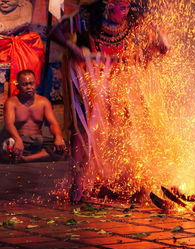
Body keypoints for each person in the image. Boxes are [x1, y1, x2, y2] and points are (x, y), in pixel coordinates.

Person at [50, 0, 169, 202]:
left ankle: (135, 179)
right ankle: (78, 179)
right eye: (120, 7)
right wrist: (75, 48)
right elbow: (55, 33)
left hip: (121, 77)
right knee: (84, 128)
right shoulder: (87, 19)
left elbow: (160, 39)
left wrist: (155, 47)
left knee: (134, 125)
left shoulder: (133, 20)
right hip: (91, 77)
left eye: (127, 7)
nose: (125, 12)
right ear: (107, 5)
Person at [1, 70, 66, 162]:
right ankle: (36, 157)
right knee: (7, 147)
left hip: (38, 141)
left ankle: (25, 159)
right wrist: (17, 139)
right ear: (18, 86)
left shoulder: (43, 102)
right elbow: (9, 124)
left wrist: (58, 137)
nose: (29, 87)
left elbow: (53, 123)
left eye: (31, 83)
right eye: (25, 84)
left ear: (36, 84)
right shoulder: (11, 102)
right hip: (20, 140)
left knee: (63, 146)